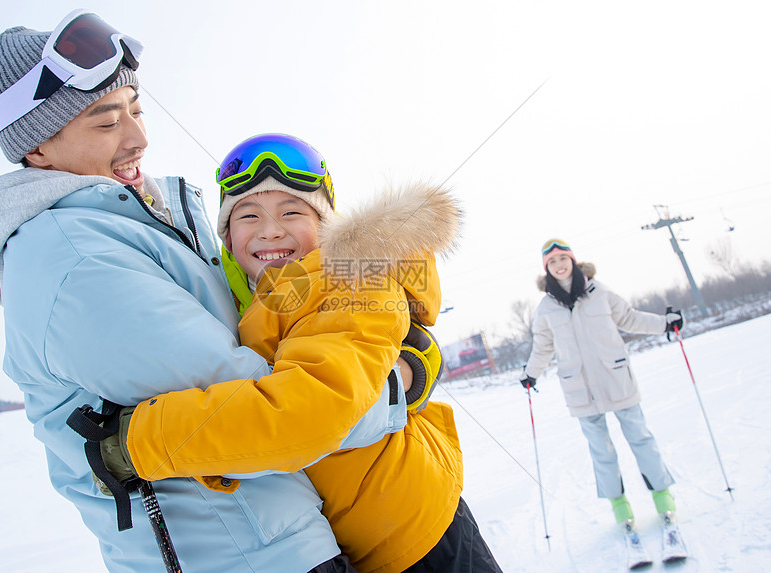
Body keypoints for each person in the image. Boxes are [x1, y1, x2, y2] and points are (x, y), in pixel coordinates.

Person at [0, 11, 409, 572]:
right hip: (237, 556)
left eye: (136, 111)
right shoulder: (75, 262)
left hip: (275, 539)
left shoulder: (134, 225)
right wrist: (400, 381)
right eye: (107, 123)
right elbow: (276, 410)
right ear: (37, 149)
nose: (139, 137)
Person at [99, 134, 504, 572]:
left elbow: (309, 409)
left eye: (291, 212)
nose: (271, 230)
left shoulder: (351, 281)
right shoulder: (235, 307)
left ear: (328, 226)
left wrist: (145, 439)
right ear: (228, 241)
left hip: (418, 532)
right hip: (344, 541)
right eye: (248, 215)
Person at [520, 238, 684, 532]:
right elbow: (542, 346)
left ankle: (663, 498)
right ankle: (620, 509)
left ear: (573, 261)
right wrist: (531, 373)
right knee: (602, 451)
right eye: (552, 262)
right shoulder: (546, 308)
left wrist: (664, 323)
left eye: (563, 259)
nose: (559, 265)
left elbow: (630, 318)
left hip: (617, 380)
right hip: (580, 391)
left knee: (641, 440)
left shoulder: (599, 291)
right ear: (546, 269)